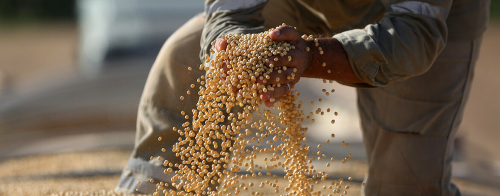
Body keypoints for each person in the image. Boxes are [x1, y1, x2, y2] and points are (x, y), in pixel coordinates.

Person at [115, 0, 490, 195]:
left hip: (423, 19)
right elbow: (228, 18)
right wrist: (233, 51)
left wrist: (310, 57)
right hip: (297, 4)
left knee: (406, 184)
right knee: (184, 58)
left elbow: (415, 34)